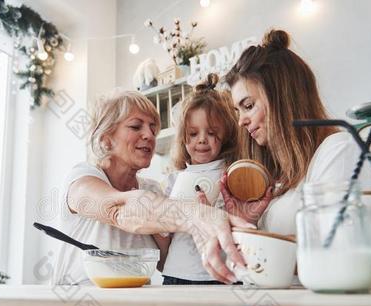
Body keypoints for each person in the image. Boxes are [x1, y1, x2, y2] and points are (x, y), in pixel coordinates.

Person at [53, 89, 253, 285]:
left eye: (152, 128)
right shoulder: (82, 177)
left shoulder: (154, 191)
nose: (149, 135)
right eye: (136, 126)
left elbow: (166, 262)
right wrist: (197, 215)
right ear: (106, 138)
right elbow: (118, 209)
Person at [221, 29, 371, 235]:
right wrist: (247, 222)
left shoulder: (339, 151)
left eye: (248, 105)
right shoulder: (279, 177)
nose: (240, 121)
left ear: (283, 99)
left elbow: (339, 249)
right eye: (237, 111)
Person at [161, 73, 241, 285]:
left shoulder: (232, 173)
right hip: (176, 273)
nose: (202, 140)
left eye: (212, 132)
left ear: (227, 135)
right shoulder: (174, 178)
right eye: (193, 133)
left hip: (220, 274)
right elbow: (163, 230)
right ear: (182, 138)